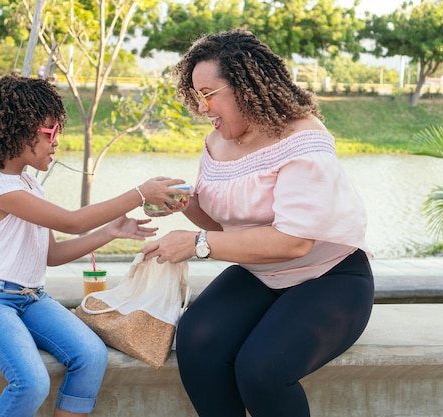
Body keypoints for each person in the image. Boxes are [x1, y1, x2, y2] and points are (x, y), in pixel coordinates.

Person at [141, 29, 375, 417]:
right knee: (196, 341)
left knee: (262, 369)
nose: (202, 108)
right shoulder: (217, 142)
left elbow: (294, 243)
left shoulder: (304, 140)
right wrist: (184, 203)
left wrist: (197, 243)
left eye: (208, 94)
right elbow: (220, 227)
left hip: (330, 277)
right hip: (260, 275)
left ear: (246, 86)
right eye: (196, 96)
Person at [0, 73, 187, 417]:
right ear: (19, 130)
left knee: (92, 356)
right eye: (50, 132)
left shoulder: (31, 186)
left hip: (31, 299)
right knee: (31, 381)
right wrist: (139, 194)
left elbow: (52, 255)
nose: (56, 141)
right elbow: (71, 221)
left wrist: (110, 232)